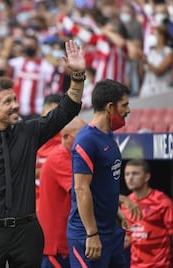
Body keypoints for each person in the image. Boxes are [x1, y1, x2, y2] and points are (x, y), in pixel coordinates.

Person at [0, 40, 86, 268]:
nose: (15, 105)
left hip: (27, 233)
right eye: (7, 102)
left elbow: (66, 110)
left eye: (15, 99)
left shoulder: (29, 132)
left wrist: (77, 76)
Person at [67, 79, 131, 267]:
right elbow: (81, 189)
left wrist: (116, 211)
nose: (128, 111)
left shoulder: (109, 136)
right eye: (124, 105)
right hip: (88, 235)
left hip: (111, 230)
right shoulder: (86, 140)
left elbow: (105, 184)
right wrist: (92, 233)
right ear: (110, 107)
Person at [121, 159, 173, 267]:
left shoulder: (162, 201)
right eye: (127, 174)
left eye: (135, 173)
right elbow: (128, 237)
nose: (130, 178)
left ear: (147, 177)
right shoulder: (126, 204)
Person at [37, 117, 86, 268]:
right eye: (82, 135)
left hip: (65, 243)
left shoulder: (72, 156)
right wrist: (122, 201)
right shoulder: (60, 159)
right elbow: (83, 191)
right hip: (57, 247)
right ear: (65, 137)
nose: (86, 140)